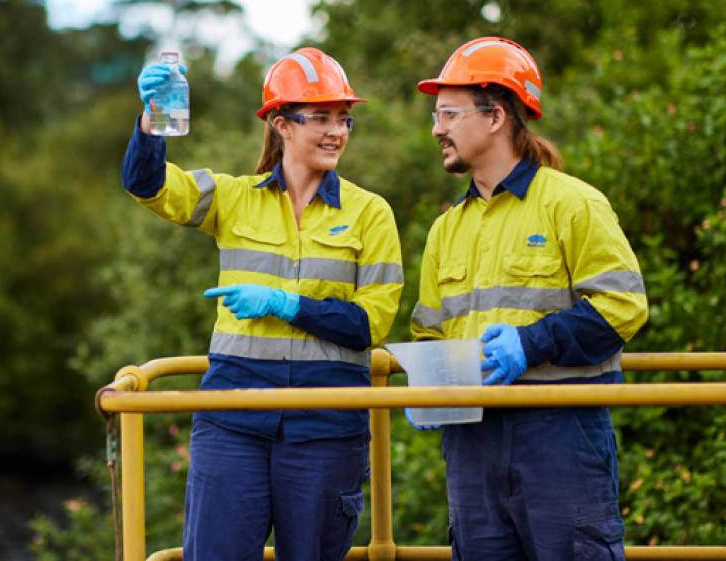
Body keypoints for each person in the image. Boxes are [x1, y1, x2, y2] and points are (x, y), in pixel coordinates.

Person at [121, 47, 404, 559]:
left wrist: (285, 304)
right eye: (319, 117)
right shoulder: (234, 197)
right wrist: (151, 122)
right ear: (281, 125)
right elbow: (148, 186)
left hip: (326, 421)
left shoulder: (370, 213)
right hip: (234, 418)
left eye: (344, 119)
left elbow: (372, 324)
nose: (336, 130)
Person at [407, 37, 648, 560]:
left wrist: (531, 343)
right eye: (436, 114)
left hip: (559, 431)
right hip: (470, 441)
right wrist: (426, 385)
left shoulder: (573, 203)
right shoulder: (445, 230)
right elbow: (428, 330)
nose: (436, 129)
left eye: (448, 113)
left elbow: (623, 307)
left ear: (495, 116)